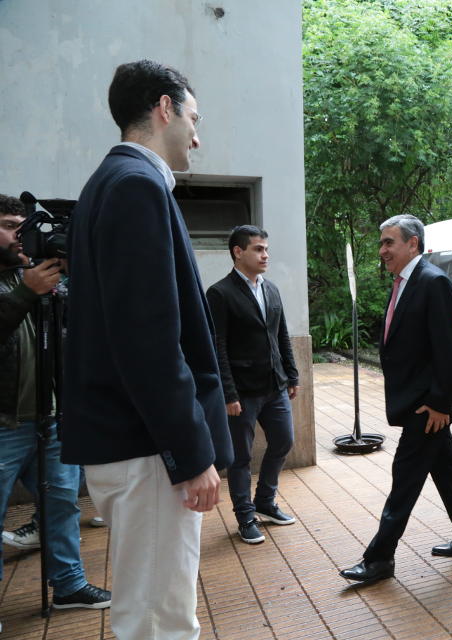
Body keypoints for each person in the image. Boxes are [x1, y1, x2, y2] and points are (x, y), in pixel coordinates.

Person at [61, 60, 233, 640]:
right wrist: (192, 455)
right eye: (193, 118)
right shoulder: (136, 185)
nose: (197, 135)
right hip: (149, 451)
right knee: (159, 620)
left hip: (132, 446)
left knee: (151, 610)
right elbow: (149, 339)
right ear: (165, 108)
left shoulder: (110, 184)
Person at [339, 214, 452, 584]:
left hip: (428, 405)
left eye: (389, 242)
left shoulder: (432, 282)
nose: (382, 250)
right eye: (382, 243)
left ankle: (378, 559)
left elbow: (450, 347)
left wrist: (439, 403)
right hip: (421, 400)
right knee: (448, 470)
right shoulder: (404, 280)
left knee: (404, 480)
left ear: (412, 244)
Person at [0, 194, 111, 623]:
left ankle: (68, 586)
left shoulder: (41, 279)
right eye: (10, 225)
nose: (19, 234)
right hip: (5, 422)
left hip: (50, 418)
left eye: (22, 226)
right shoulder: (25, 284)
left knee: (63, 503)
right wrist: (25, 293)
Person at [206, 225, 300, 544]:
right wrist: (228, 393)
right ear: (238, 252)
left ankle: (265, 502)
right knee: (240, 457)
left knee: (284, 441)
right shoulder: (219, 293)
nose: (265, 255)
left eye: (266, 249)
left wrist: (291, 374)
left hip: (274, 386)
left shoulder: (270, 289)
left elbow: (281, 335)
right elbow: (217, 346)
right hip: (242, 393)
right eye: (259, 249)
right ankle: (245, 515)